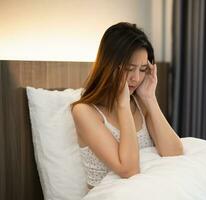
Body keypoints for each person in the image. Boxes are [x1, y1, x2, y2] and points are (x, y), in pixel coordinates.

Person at [71, 22, 183, 189]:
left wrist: (150, 98)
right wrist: (122, 105)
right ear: (109, 66)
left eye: (143, 69)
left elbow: (174, 152)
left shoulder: (141, 103)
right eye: (129, 68)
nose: (136, 78)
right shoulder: (84, 112)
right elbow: (129, 170)